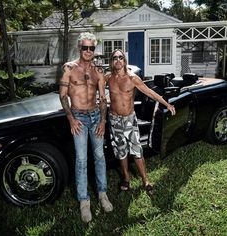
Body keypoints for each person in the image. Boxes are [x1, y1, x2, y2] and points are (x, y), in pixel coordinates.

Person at [59, 32, 113, 223]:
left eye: (91, 48)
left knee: (99, 156)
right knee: (81, 159)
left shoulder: (98, 71)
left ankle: (102, 194)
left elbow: (103, 99)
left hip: (96, 116)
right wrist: (71, 119)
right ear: (79, 48)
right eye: (85, 48)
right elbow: (63, 95)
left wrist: (103, 121)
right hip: (79, 118)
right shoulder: (69, 69)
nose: (88, 51)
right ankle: (84, 201)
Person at [106, 49, 176, 195]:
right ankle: (126, 178)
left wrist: (167, 104)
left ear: (124, 61)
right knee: (121, 151)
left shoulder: (132, 78)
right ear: (111, 62)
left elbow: (150, 93)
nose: (118, 60)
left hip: (129, 119)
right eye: (115, 58)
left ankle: (145, 180)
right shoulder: (108, 78)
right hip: (114, 119)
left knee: (137, 151)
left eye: (120, 57)